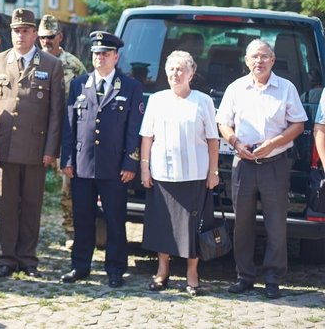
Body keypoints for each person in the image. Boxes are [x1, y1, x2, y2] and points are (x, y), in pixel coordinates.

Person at [216, 39, 307, 300]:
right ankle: (244, 276)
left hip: (275, 164)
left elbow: (298, 124)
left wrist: (273, 143)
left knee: (276, 225)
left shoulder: (286, 88)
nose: (259, 61)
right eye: (254, 56)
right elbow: (223, 122)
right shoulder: (236, 88)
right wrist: (234, 142)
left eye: (265, 56)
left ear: (273, 60)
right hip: (243, 163)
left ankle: (273, 279)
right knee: (242, 225)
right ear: (246, 61)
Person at [60, 31, 144, 288]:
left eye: (105, 54)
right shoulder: (79, 85)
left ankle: (116, 268)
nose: (100, 58)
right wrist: (68, 160)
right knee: (82, 218)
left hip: (115, 168)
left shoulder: (130, 87)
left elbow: (133, 130)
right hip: (82, 165)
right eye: (96, 53)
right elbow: (69, 126)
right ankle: (80, 265)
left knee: (115, 220)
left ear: (115, 57)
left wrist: (131, 163)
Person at [0, 8, 64, 278]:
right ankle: (7, 258)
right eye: (17, 30)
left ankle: (28, 259)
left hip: (35, 148)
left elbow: (56, 113)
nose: (21, 35)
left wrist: (51, 150)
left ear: (34, 34)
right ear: (11, 33)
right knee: (6, 204)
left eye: (27, 30)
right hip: (4, 146)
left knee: (31, 205)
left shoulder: (51, 64)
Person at [139, 51, 219, 296]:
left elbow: (213, 139)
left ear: (191, 73)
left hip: (195, 175)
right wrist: (144, 168)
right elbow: (147, 136)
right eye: (172, 68)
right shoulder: (157, 99)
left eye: (181, 69)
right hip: (163, 175)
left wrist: (213, 171)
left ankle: (192, 274)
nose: (176, 73)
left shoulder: (203, 101)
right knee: (163, 226)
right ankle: (162, 271)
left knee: (192, 228)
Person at [38, 13, 87, 238]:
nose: (46, 42)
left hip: (66, 134)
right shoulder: (33, 62)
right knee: (30, 184)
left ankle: (71, 231)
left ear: (60, 36)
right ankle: (25, 231)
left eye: (50, 36)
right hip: (37, 132)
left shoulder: (74, 66)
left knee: (68, 184)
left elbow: (87, 100)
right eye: (42, 38)